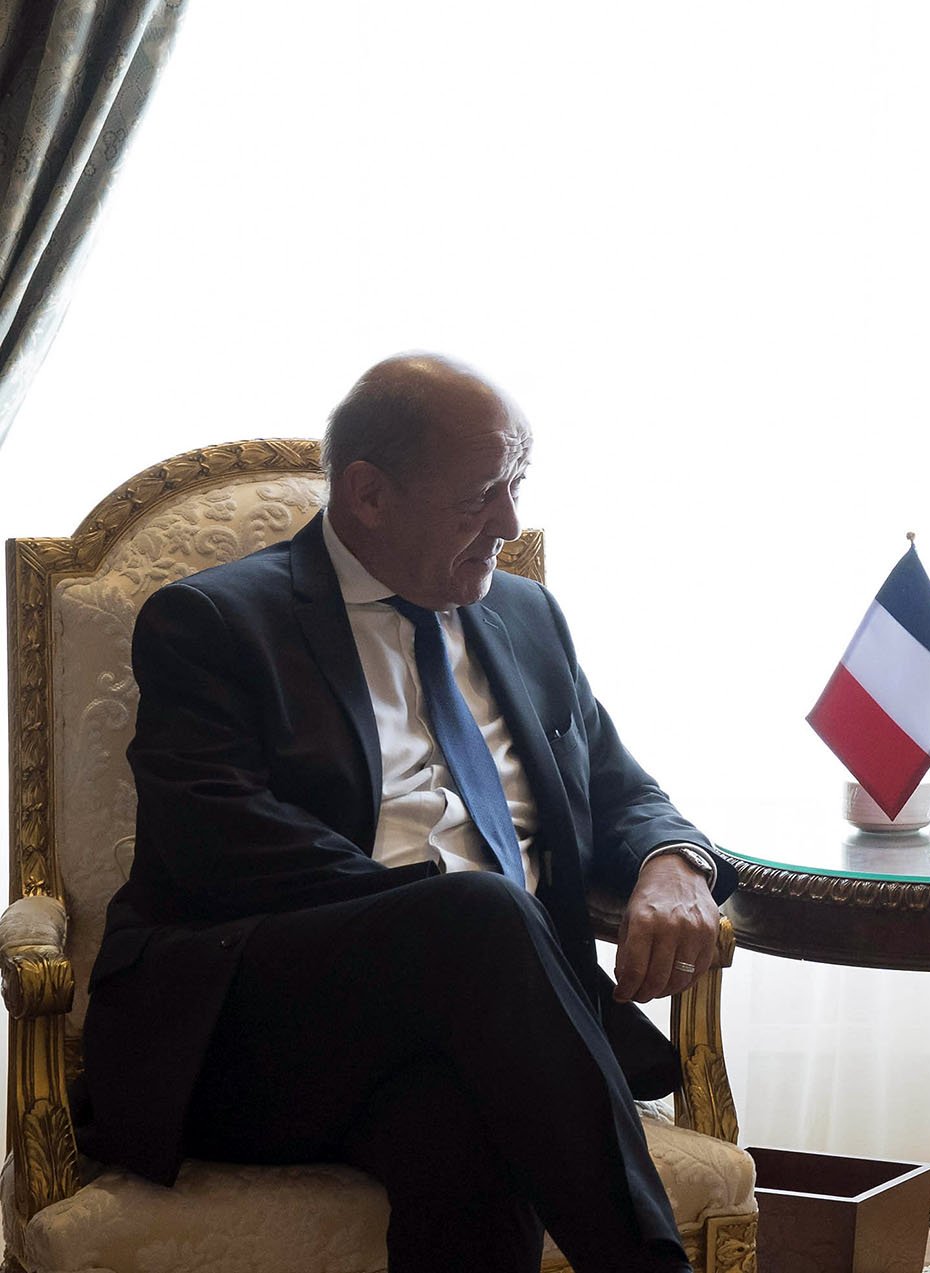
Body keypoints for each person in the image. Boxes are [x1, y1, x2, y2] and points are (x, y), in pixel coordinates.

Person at [78, 355, 736, 1273]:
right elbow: (219, 847)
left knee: (464, 1127)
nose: (510, 521)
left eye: (517, 485)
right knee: (479, 912)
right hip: (251, 1034)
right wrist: (450, 927)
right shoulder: (214, 623)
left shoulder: (526, 614)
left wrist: (674, 861)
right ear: (370, 496)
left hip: (479, 1030)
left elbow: (623, 789)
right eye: (481, 495)